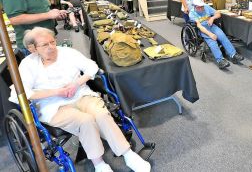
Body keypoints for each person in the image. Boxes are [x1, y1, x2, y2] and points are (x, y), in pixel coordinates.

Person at [10, 27, 151, 172]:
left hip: (81, 94)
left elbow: (91, 67)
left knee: (101, 114)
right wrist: (56, 92)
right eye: (45, 45)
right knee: (85, 121)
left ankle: (129, 155)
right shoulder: (28, 65)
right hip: (52, 105)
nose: (52, 47)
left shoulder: (67, 52)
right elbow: (21, 93)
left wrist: (76, 83)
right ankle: (100, 165)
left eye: (52, 42)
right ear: (33, 48)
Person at [189, 0, 244, 69]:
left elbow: (218, 13)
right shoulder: (192, 13)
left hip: (212, 26)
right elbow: (199, 26)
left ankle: (233, 54)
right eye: (199, 7)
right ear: (194, 6)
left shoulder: (206, 7)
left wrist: (212, 18)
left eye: (202, 7)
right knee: (212, 41)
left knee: (223, 36)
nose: (201, 9)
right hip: (203, 29)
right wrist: (210, 34)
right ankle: (220, 60)